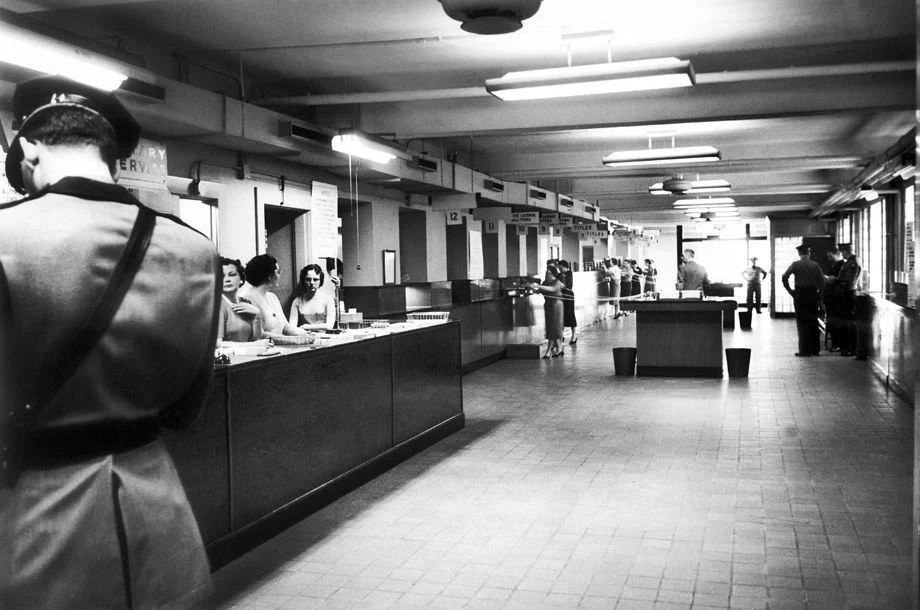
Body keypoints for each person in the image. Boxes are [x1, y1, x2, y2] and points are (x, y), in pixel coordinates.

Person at [0, 76, 217, 608]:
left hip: (36, 517)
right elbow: (188, 407)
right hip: (159, 511)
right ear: (114, 158)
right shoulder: (196, 250)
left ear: (27, 150)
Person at [239, 254, 307, 336]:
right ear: (269, 276)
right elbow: (257, 335)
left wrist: (306, 334)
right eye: (278, 272)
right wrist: (286, 339)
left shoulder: (272, 297)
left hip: (279, 346)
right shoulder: (244, 299)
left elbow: (285, 326)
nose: (279, 275)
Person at [781, 244, 826, 356]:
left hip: (800, 295)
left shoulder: (795, 265)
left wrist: (790, 291)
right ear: (809, 253)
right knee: (813, 321)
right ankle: (815, 350)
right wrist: (819, 295)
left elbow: (784, 277)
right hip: (812, 294)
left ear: (799, 254)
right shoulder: (815, 265)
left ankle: (804, 350)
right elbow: (822, 283)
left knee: (802, 323)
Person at [218, 257, 263, 342]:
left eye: (232, 275)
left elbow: (256, 339)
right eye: (222, 276)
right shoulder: (217, 306)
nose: (227, 279)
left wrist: (257, 315)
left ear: (241, 279)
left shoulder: (246, 302)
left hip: (247, 354)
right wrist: (250, 346)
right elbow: (217, 345)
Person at [529, 263, 566, 358]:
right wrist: (531, 288)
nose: (546, 274)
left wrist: (537, 285)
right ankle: (558, 348)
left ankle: (550, 350)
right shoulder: (545, 282)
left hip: (556, 306)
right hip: (548, 305)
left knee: (555, 327)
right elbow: (539, 291)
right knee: (550, 327)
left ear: (553, 274)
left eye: (548, 273)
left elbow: (552, 289)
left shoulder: (557, 282)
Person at [289, 264, 336, 331]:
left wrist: (306, 327)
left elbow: (329, 325)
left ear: (320, 281)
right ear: (303, 281)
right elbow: (292, 326)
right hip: (304, 337)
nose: (311, 282)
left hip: (324, 337)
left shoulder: (328, 300)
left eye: (315, 279)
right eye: (308, 279)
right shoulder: (297, 301)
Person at [834, 243, 862, 356]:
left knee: (849, 321)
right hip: (845, 293)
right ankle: (847, 347)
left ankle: (851, 348)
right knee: (846, 320)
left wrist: (835, 280)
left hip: (848, 294)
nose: (842, 254)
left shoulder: (852, 263)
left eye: (843, 252)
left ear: (848, 251)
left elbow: (848, 281)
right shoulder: (849, 262)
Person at [822, 247, 845, 352]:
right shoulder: (835, 265)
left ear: (838, 254)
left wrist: (827, 278)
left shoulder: (841, 265)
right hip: (830, 297)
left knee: (834, 321)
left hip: (835, 297)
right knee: (832, 321)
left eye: (831, 256)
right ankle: (835, 343)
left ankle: (837, 344)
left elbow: (835, 280)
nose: (829, 259)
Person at [557, 259, 577, 345]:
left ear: (564, 266)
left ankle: (574, 335)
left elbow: (566, 285)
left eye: (560, 267)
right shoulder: (559, 274)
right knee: (561, 316)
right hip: (561, 296)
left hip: (568, 296)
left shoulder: (569, 273)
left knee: (570, 315)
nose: (559, 269)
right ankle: (561, 335)